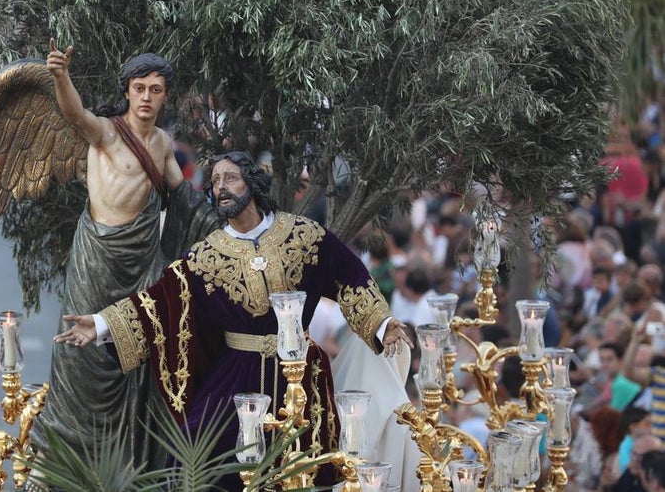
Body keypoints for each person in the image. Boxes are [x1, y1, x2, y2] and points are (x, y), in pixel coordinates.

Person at [57, 151, 412, 490]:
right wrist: (101, 324)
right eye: (214, 181)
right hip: (236, 378)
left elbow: (349, 277)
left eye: (230, 178)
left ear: (253, 184)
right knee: (192, 458)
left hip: (302, 376)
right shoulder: (206, 255)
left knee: (300, 468)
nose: (220, 187)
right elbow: (160, 302)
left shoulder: (304, 235)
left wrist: (384, 324)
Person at [38, 42, 217, 470]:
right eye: (139, 88)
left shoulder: (162, 143)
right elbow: (75, 115)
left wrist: (230, 227)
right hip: (98, 258)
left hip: (141, 263)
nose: (146, 97)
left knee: (139, 351)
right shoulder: (107, 132)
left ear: (165, 96)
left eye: (155, 89)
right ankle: (74, 463)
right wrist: (62, 78)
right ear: (127, 92)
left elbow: (185, 200)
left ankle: (134, 463)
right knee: (83, 359)